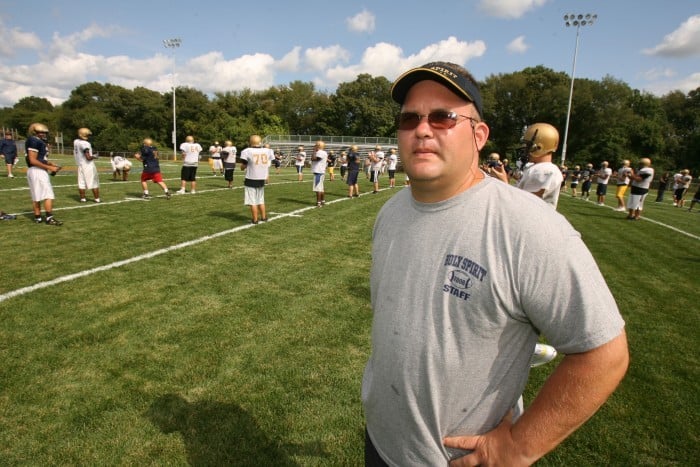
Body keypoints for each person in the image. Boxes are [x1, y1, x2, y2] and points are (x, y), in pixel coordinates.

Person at [362, 61, 629, 466]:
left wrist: (518, 447)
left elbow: (604, 353)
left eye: (443, 117)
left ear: (479, 134)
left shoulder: (529, 226)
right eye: (409, 118)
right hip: (381, 442)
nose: (421, 129)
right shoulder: (391, 211)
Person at [514, 123, 564, 208]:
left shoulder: (543, 170)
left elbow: (526, 203)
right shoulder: (537, 168)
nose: (525, 148)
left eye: (528, 145)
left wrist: (504, 182)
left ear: (539, 147)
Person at [25, 123, 63, 225]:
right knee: (48, 194)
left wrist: (50, 163)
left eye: (43, 132)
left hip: (35, 170)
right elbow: (32, 160)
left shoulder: (35, 140)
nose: (42, 134)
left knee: (36, 195)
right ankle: (49, 218)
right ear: (34, 132)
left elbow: (39, 159)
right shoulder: (34, 140)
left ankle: (38, 217)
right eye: (40, 132)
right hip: (37, 170)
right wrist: (49, 167)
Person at [240, 134, 273, 224]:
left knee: (252, 201)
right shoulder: (268, 151)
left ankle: (255, 219)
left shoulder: (247, 151)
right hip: (261, 178)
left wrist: (242, 167)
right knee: (260, 199)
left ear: (251, 142)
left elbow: (244, 165)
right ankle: (264, 217)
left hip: (251, 178)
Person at [73, 127, 101, 203]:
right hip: (88, 165)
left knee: (81, 182)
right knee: (94, 182)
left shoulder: (76, 141)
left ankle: (82, 198)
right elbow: (88, 157)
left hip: (80, 164)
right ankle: (97, 198)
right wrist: (95, 156)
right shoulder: (85, 143)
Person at [311, 140, 328, 207]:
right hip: (320, 171)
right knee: (321, 187)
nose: (314, 146)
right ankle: (322, 201)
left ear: (318, 146)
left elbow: (315, 159)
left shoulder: (320, 152)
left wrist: (314, 152)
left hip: (318, 171)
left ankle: (318, 202)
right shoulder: (323, 152)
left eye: (315, 145)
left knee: (318, 188)